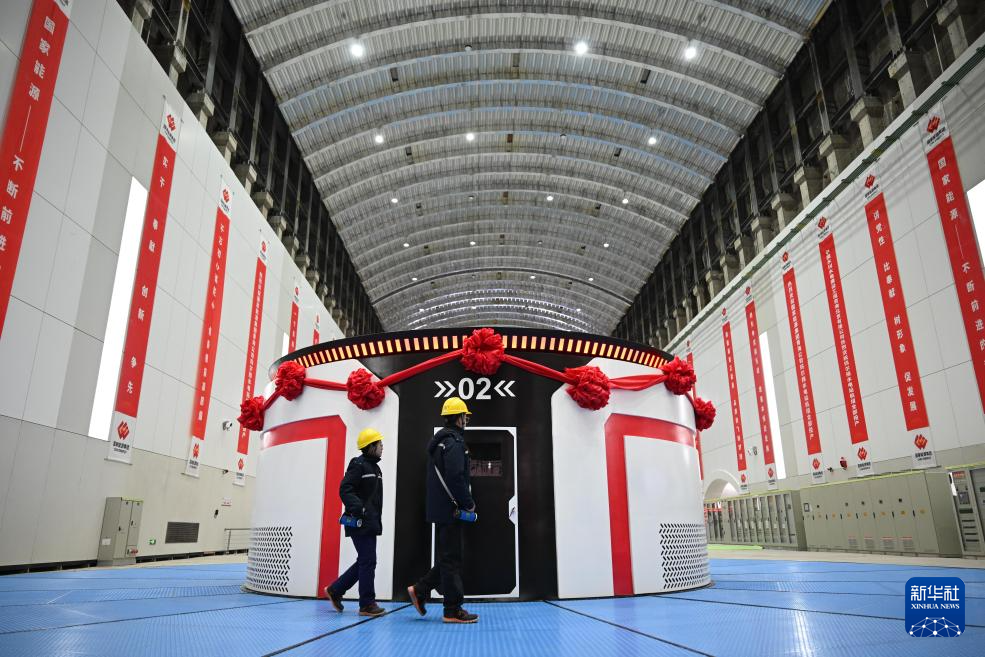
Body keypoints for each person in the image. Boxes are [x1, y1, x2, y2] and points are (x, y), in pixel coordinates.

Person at [407, 397, 479, 624]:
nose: (466, 420)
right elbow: (456, 477)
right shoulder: (454, 443)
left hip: (440, 509)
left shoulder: (439, 442)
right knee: (451, 560)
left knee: (449, 557)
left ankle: (420, 589)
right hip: (451, 510)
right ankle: (452, 610)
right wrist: (468, 503)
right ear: (459, 418)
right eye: (465, 416)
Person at [325, 428, 386, 617]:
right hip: (359, 521)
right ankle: (366, 604)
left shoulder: (375, 468)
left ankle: (335, 590)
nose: (382, 446)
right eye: (379, 443)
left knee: (365, 560)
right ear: (371, 446)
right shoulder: (358, 465)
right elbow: (345, 489)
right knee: (368, 560)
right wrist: (360, 509)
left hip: (370, 522)